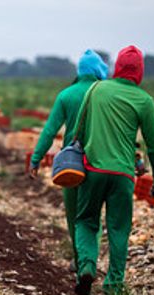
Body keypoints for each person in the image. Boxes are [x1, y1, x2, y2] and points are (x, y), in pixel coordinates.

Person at [73, 45, 154, 295]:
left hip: (92, 169)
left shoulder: (96, 89)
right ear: (139, 71)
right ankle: (114, 287)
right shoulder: (144, 100)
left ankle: (86, 266)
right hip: (123, 176)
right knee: (118, 228)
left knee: (86, 220)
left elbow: (79, 132)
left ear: (117, 67)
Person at [29, 50, 109, 272]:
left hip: (72, 163)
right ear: (98, 70)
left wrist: (36, 159)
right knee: (92, 214)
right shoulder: (105, 94)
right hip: (99, 161)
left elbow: (49, 131)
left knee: (74, 214)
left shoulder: (66, 95)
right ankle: (90, 258)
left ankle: (79, 259)